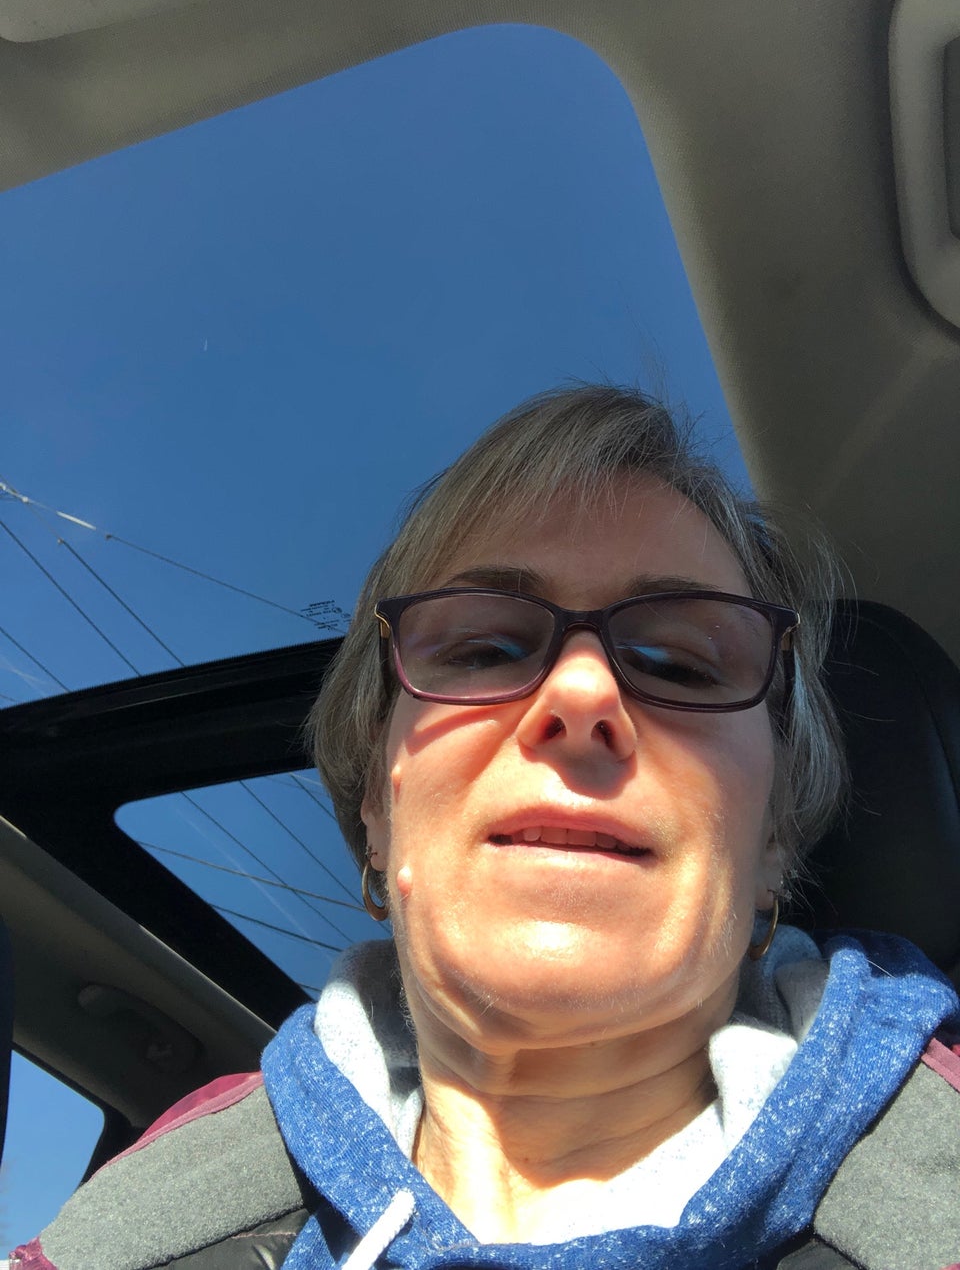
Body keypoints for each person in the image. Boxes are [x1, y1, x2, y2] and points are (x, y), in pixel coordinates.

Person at [14, 386, 960, 1270]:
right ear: (378, 811)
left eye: (679, 664)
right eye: (483, 648)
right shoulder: (134, 1230)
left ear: (775, 839)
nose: (582, 693)